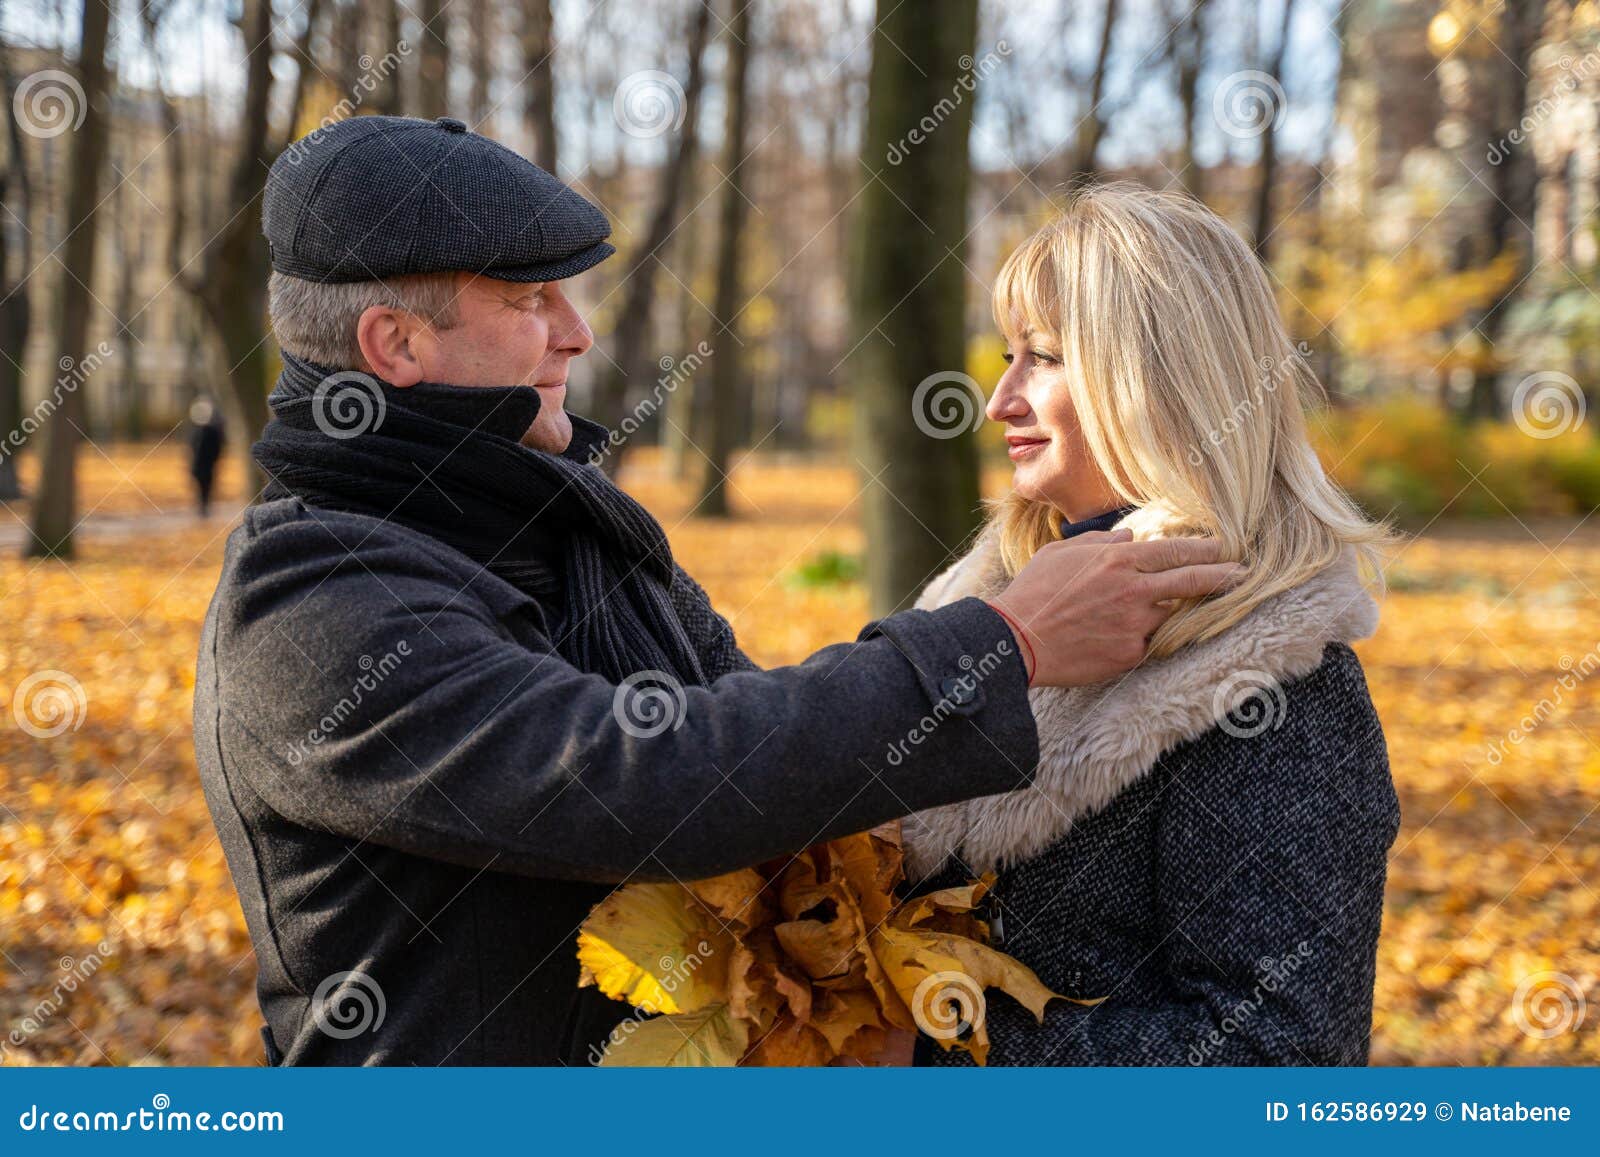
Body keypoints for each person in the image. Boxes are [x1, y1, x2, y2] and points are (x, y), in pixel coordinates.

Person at [192, 117, 1246, 1066]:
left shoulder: (565, 529)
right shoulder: (311, 602)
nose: (578, 332)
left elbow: (762, 759)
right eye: (529, 299)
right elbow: (646, 778)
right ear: (397, 344)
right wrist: (999, 642)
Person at [901, 184, 1401, 1067]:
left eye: (1044, 358)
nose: (1000, 400)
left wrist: (937, 1048)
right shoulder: (963, 607)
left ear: (1161, 378)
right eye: (1008, 356)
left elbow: (1281, 1060)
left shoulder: (1271, 685)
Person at [187, 395, 225, 517]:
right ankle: (203, 507)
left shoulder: (204, 432)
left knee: (205, 487)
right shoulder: (200, 432)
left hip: (205, 466)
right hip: (203, 466)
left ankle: (204, 508)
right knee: (203, 487)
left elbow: (215, 450)